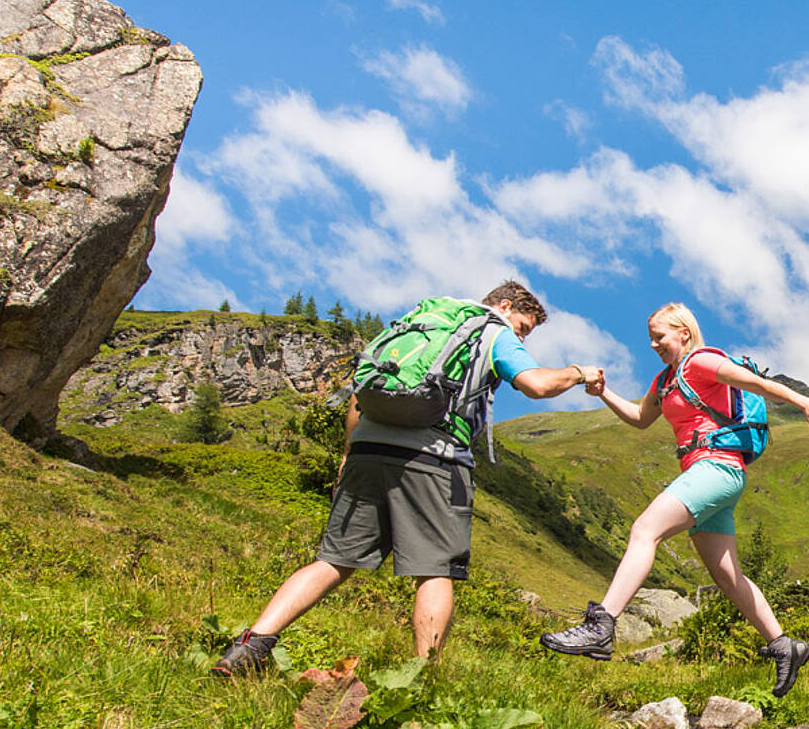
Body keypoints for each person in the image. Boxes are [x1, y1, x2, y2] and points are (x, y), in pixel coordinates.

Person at [214, 280, 602, 676]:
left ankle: (250, 645)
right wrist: (578, 372)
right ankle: (420, 679)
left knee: (332, 561)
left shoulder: (417, 323)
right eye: (523, 326)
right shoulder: (492, 331)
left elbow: (358, 393)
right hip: (432, 457)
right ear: (504, 306)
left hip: (368, 448)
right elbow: (536, 384)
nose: (521, 336)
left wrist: (349, 453)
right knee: (435, 570)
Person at [540, 302, 809, 697]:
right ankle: (785, 645)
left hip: (717, 468)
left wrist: (805, 403)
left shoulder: (701, 361)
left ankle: (602, 625)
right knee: (727, 576)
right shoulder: (666, 381)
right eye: (650, 338)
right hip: (709, 475)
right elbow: (640, 418)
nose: (653, 344)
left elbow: (755, 383)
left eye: (659, 336)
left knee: (645, 530)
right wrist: (603, 391)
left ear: (683, 332)